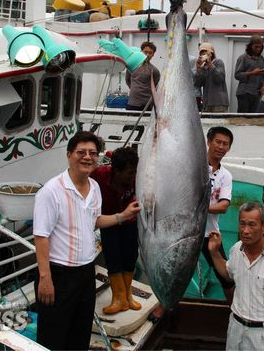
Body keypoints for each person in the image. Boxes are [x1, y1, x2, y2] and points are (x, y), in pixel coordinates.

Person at [33, 131, 141, 350]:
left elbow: (94, 220)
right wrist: (45, 278)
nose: (87, 157)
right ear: (69, 155)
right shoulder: (51, 191)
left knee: (79, 335)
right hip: (58, 274)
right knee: (53, 338)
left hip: (85, 274)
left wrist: (122, 216)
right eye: (81, 152)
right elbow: (41, 236)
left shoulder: (94, 188)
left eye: (92, 153)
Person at [208, 202, 264, 351]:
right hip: (236, 327)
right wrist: (214, 252)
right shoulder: (236, 249)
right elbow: (228, 273)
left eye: (252, 225)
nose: (245, 230)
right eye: (242, 224)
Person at [90, 146, 141, 315]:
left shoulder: (137, 178)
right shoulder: (99, 175)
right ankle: (117, 298)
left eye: (135, 172)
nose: (133, 176)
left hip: (130, 222)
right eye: (129, 173)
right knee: (113, 259)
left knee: (130, 258)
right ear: (116, 171)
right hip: (109, 222)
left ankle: (127, 296)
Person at [201, 126, 235, 301]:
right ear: (208, 141)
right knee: (175, 269)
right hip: (186, 232)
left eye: (225, 144)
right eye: (218, 142)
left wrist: (198, 206)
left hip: (210, 234)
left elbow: (223, 206)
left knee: (226, 277)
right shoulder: (194, 165)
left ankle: (235, 311)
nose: (221, 147)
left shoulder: (226, 175)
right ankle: (164, 307)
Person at [194, 42, 229, 112]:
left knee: (219, 123)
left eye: (205, 52)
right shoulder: (203, 67)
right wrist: (198, 69)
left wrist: (210, 65)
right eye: (201, 52)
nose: (203, 54)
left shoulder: (218, 62)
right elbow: (197, 84)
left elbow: (220, 79)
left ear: (211, 53)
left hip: (219, 103)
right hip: (207, 104)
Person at [125, 41, 160, 111]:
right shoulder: (132, 66)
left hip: (147, 105)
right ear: (141, 52)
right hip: (132, 103)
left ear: (153, 54)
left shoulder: (155, 71)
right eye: (145, 52)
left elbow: (155, 87)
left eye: (150, 53)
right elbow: (127, 80)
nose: (147, 54)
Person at [234, 35, 264, 113]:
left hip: (256, 94)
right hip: (244, 93)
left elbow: (262, 76)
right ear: (250, 46)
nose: (258, 49)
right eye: (256, 47)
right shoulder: (243, 58)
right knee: (243, 119)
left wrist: (263, 86)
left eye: (260, 47)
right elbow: (237, 75)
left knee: (253, 119)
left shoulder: (261, 59)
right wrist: (252, 73)